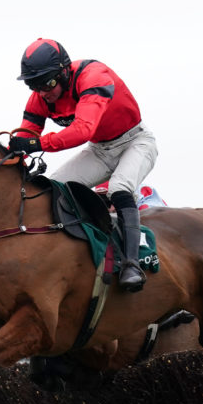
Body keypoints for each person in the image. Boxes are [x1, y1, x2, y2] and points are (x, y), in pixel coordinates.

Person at [9, 38, 158, 293]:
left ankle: (132, 264)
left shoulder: (94, 77)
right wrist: (15, 160)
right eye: (34, 85)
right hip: (100, 150)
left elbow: (82, 131)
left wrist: (37, 144)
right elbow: (27, 134)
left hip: (136, 142)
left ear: (64, 72)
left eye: (48, 83)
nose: (43, 92)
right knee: (51, 188)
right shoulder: (41, 96)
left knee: (119, 187)